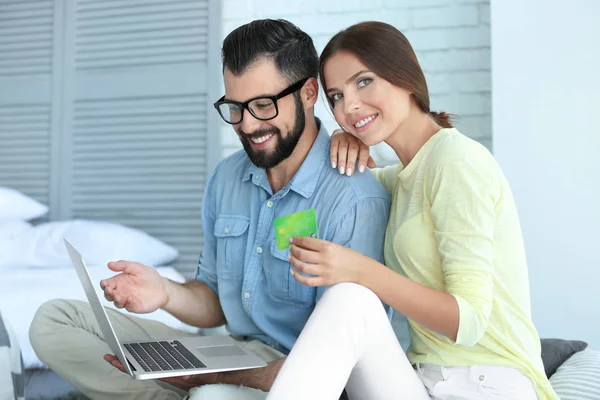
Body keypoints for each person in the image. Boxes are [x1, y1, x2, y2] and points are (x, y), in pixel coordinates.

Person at [28, 19, 391, 400]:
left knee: (209, 396)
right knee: (53, 321)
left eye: (264, 106)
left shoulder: (353, 198)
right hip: (231, 351)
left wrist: (215, 378)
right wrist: (165, 293)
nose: (248, 125)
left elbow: (343, 361)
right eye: (235, 107)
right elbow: (216, 302)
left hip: (300, 377)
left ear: (309, 92)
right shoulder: (227, 178)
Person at [267, 21, 559, 400]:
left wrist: (359, 270)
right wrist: (333, 144)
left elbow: (467, 322)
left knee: (351, 298)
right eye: (336, 96)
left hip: (488, 384)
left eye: (364, 81)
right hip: (423, 382)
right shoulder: (400, 178)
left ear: (405, 76)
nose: (349, 106)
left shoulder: (457, 161)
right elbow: (334, 199)